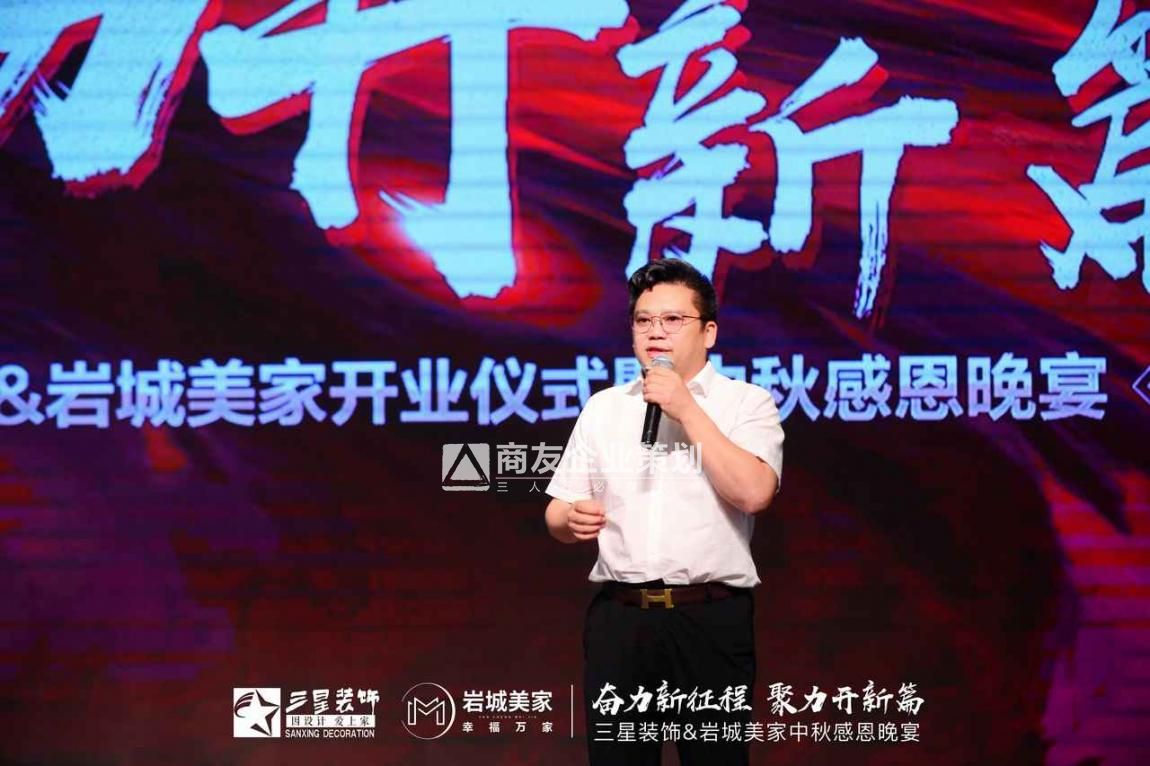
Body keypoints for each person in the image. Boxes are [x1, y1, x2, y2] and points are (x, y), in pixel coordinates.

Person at [544, 258, 784, 766]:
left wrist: (686, 408)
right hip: (620, 619)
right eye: (644, 320)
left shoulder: (747, 403)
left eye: (673, 319)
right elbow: (558, 509)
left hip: (709, 618)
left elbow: (754, 493)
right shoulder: (605, 407)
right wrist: (569, 519)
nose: (656, 332)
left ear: (709, 332)